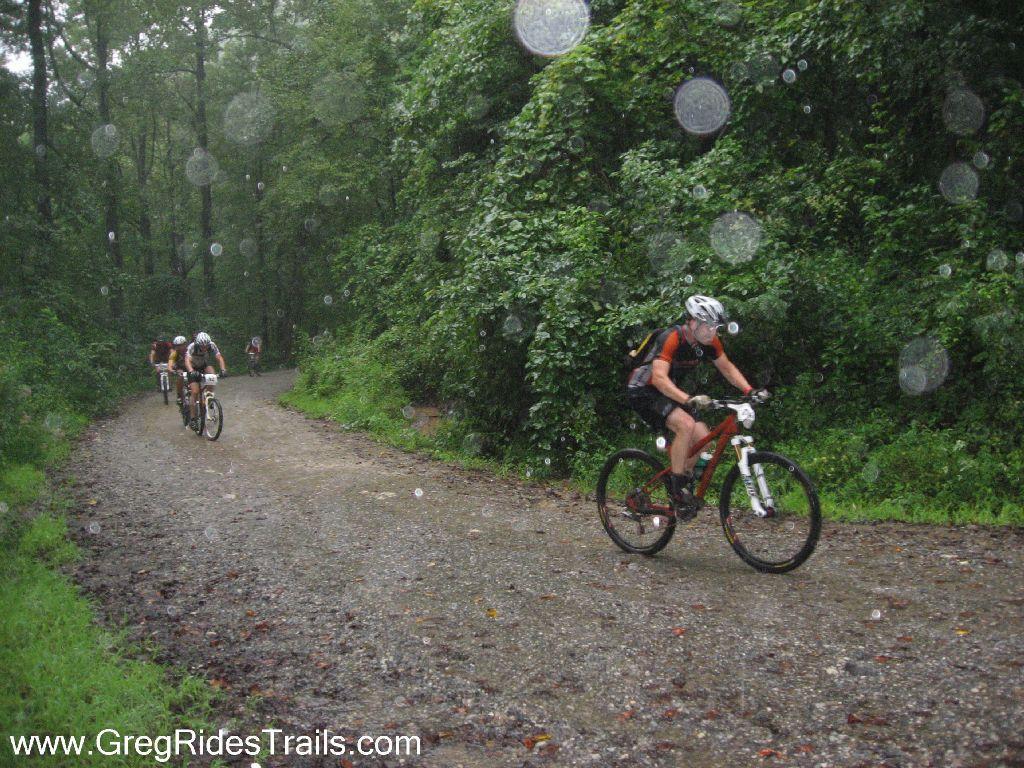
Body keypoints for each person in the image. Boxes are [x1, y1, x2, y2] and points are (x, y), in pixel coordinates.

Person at [626, 295, 767, 515]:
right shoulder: (672, 337)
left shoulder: (710, 343)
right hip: (643, 389)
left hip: (669, 391)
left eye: (716, 327)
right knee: (685, 425)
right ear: (693, 322)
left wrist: (749, 391)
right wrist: (687, 400)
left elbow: (727, 368)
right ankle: (676, 487)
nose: (713, 332)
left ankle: (680, 479)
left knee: (703, 438)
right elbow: (659, 378)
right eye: (708, 326)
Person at [185, 332, 227, 429]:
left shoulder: (212, 345)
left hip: (204, 366)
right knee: (195, 392)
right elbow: (187, 360)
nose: (204, 348)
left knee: (212, 374)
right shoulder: (192, 346)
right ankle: (192, 419)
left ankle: (209, 396)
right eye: (202, 346)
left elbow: (219, 357)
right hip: (193, 369)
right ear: (198, 343)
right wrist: (191, 371)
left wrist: (223, 369)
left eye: (206, 346)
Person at [166, 335, 190, 406]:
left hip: (190, 368)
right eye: (178, 345)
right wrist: (172, 370)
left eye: (182, 345)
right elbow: (170, 365)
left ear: (185, 344)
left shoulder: (190, 351)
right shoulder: (174, 354)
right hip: (180, 369)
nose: (180, 347)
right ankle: (179, 395)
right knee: (180, 378)